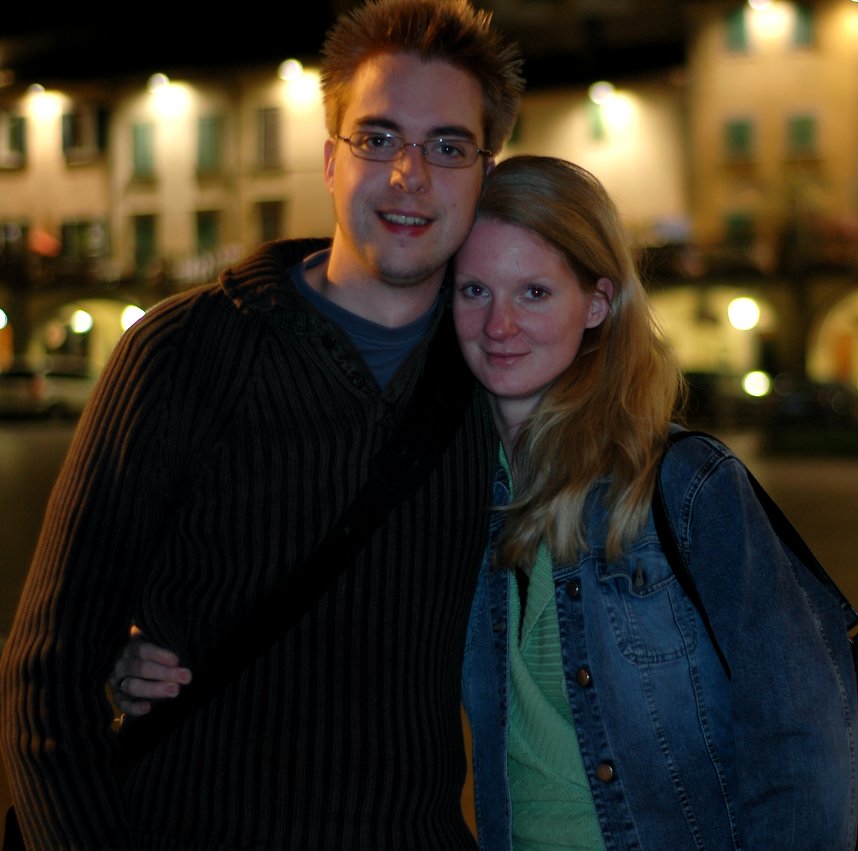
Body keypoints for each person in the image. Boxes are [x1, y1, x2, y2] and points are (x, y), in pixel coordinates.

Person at [115, 155, 858, 849]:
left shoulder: (687, 486)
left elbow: (804, 741)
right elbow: (323, 622)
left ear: (597, 302)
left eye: (534, 291)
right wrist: (162, 648)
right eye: (475, 290)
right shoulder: (450, 489)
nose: (499, 325)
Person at [0, 1, 524, 848]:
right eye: (378, 137)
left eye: (449, 147)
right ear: (329, 159)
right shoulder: (182, 352)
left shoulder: (500, 372)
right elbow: (47, 675)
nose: (410, 175)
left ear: (483, 174)